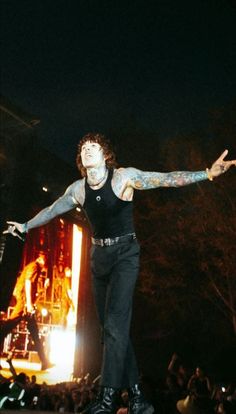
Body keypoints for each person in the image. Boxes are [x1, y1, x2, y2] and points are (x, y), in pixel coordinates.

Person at [3, 132, 236, 414]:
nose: (88, 150)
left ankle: (106, 399)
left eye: (94, 146)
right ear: (81, 158)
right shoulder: (78, 189)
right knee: (111, 331)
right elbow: (53, 209)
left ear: (105, 155)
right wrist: (26, 226)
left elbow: (165, 178)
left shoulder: (123, 178)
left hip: (125, 255)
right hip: (99, 256)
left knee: (115, 327)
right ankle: (138, 396)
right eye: (84, 148)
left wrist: (207, 174)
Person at [0, 254, 51, 371]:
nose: (44, 269)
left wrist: (44, 288)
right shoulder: (34, 267)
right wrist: (28, 304)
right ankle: (44, 361)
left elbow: (35, 294)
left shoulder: (33, 267)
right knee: (6, 329)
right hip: (24, 304)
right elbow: (28, 283)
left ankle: (44, 361)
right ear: (43, 261)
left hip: (25, 304)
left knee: (32, 333)